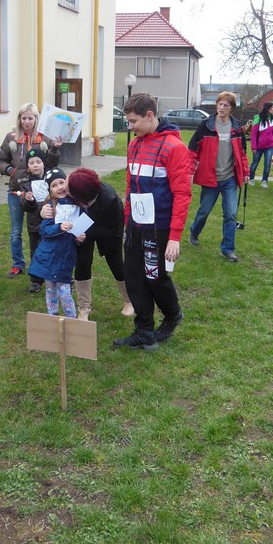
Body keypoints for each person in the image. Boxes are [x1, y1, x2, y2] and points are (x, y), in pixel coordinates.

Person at [112, 93, 192, 352]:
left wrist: (174, 237)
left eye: (133, 121)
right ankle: (144, 330)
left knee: (155, 276)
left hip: (159, 227)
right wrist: (128, 223)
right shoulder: (134, 145)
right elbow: (130, 188)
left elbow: (182, 194)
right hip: (136, 226)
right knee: (133, 277)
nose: (130, 126)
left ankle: (172, 315)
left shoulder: (174, 148)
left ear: (149, 116)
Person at [0, 103, 62, 278]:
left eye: (30, 118)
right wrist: (11, 171)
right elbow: (2, 160)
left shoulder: (44, 138)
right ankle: (18, 264)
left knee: (41, 228)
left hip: (40, 192)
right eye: (23, 118)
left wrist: (55, 148)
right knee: (16, 230)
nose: (27, 122)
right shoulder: (11, 138)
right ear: (19, 119)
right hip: (17, 191)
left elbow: (51, 164)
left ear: (36, 119)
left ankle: (43, 263)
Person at [64, 167, 133, 321]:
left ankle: (129, 300)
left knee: (115, 262)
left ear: (80, 195)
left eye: (68, 187)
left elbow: (115, 231)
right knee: (82, 262)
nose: (64, 188)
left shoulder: (111, 200)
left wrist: (89, 229)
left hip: (107, 230)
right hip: (82, 226)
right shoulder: (72, 191)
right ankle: (84, 307)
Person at [187, 91, 250, 261]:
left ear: (231, 108)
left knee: (231, 214)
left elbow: (242, 153)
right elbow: (192, 150)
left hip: (229, 178)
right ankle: (194, 231)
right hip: (210, 178)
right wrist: (189, 171)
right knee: (204, 211)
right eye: (219, 104)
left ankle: (227, 249)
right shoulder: (206, 126)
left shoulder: (236, 127)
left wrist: (245, 172)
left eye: (225, 105)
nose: (221, 107)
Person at [28, 168, 85, 318]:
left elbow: (80, 230)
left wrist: (79, 237)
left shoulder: (77, 204)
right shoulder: (50, 207)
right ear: (50, 190)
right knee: (50, 290)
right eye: (54, 185)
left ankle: (72, 320)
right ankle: (52, 318)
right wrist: (59, 227)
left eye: (61, 182)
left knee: (64, 291)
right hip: (50, 256)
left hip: (66, 256)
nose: (59, 187)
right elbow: (43, 230)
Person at [18, 148, 52, 293]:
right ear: (28, 166)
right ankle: (36, 280)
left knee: (55, 249)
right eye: (32, 163)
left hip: (51, 222)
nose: (35, 165)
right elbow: (24, 206)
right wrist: (29, 201)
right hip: (35, 225)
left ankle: (58, 276)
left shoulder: (51, 178)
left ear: (44, 163)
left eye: (38, 162)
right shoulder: (25, 183)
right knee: (36, 252)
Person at [248, 101, 273, 188]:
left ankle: (264, 181)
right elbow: (253, 134)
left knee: (267, 164)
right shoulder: (258, 119)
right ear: (268, 109)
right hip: (258, 146)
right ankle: (251, 179)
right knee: (255, 163)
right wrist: (253, 147)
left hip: (269, 146)